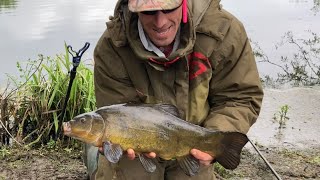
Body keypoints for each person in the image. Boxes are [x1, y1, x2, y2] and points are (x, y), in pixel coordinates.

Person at [86, 0, 264, 179]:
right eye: (149, 12)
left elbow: (239, 97)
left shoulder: (224, 31)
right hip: (138, 147)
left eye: (169, 8)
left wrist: (216, 133)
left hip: (193, 137)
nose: (160, 22)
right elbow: (116, 112)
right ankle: (92, 157)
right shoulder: (112, 45)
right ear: (133, 7)